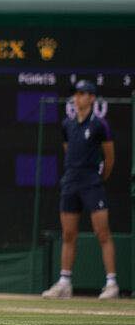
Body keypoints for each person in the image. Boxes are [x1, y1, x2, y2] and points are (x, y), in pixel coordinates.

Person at [42, 81, 119, 300]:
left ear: (92, 98)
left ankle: (111, 283)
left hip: (92, 184)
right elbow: (68, 151)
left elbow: (110, 159)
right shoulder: (67, 124)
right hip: (70, 183)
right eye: (76, 94)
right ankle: (65, 282)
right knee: (68, 234)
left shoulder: (100, 125)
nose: (78, 98)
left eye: (83, 94)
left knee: (102, 233)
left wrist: (98, 178)